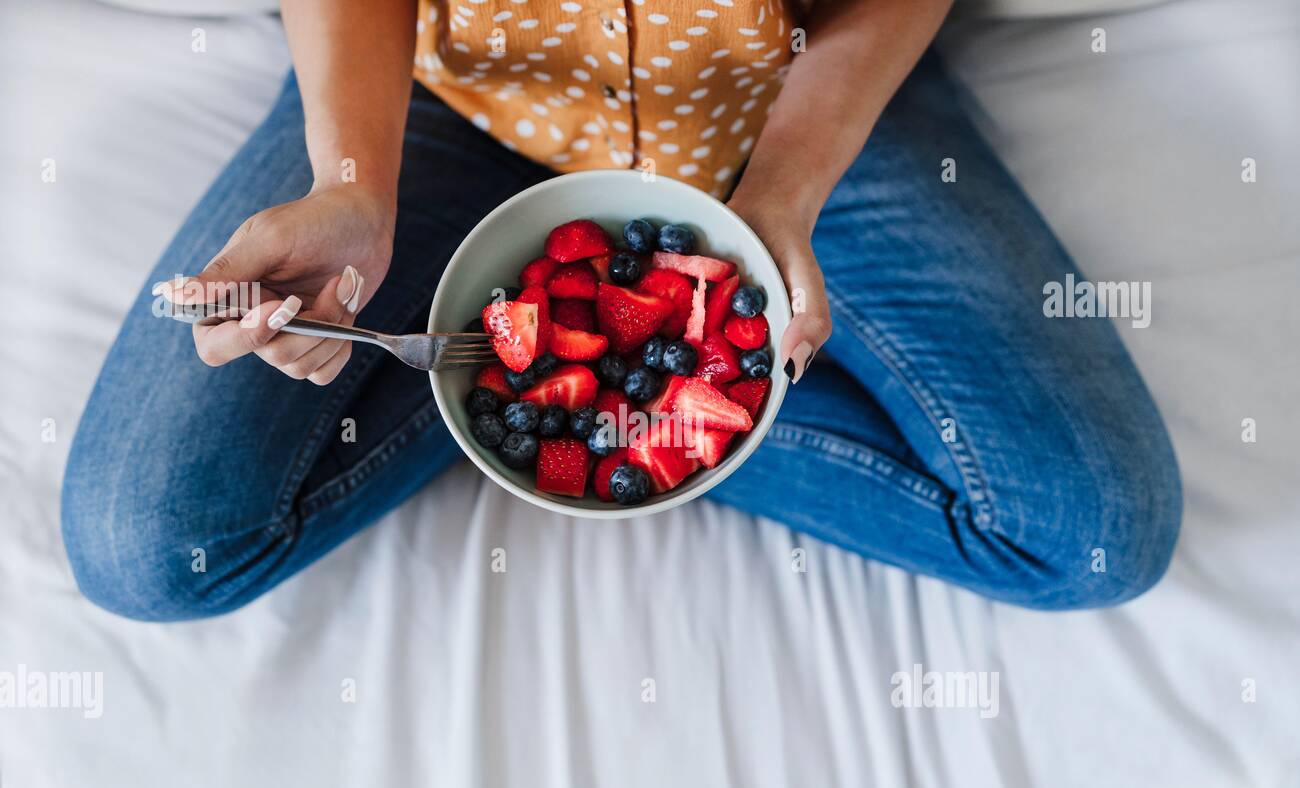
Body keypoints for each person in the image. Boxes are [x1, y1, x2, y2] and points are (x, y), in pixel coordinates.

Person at [61, 0, 1181, 621]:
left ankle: (536, 402)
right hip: (450, 99)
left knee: (1089, 537)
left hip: (792, 99)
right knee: (149, 548)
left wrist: (784, 188)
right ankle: (514, 398)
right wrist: (353, 180)